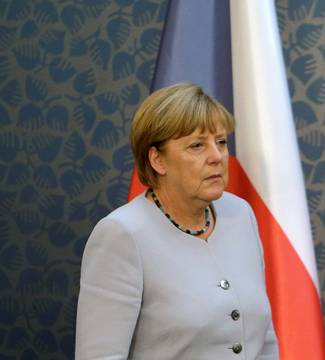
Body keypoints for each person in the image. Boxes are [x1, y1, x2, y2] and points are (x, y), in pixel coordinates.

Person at [75, 83, 279, 359]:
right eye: (197, 145)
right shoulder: (122, 235)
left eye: (221, 142)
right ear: (158, 160)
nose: (217, 157)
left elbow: (263, 340)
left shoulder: (240, 215)